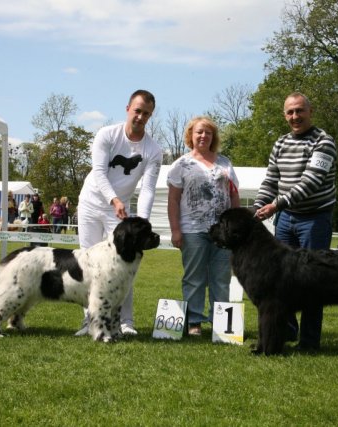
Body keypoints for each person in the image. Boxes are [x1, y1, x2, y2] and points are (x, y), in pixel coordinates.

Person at [253, 92, 337, 351]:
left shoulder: (324, 142)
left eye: (299, 111)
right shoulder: (280, 143)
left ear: (310, 112)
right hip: (285, 219)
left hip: (315, 219)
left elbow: (311, 182)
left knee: (313, 282)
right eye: (290, 112)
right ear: (284, 114)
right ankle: (285, 333)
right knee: (281, 282)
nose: (295, 116)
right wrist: (256, 209)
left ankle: (310, 342)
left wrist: (276, 204)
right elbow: (270, 181)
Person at [76, 89, 163, 336]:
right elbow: (99, 171)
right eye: (137, 111)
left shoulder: (153, 151)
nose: (140, 117)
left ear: (150, 116)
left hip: (119, 213)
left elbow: (147, 189)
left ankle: (126, 322)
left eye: (146, 114)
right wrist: (114, 199)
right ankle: (90, 320)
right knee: (89, 266)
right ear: (127, 109)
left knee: (123, 265)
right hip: (92, 204)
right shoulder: (107, 135)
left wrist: (142, 222)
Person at [167, 116, 240, 336]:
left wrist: (236, 228)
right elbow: (173, 200)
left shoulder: (225, 163)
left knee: (221, 278)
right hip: (192, 230)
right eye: (199, 132)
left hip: (223, 232)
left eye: (208, 132)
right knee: (194, 278)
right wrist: (175, 230)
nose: (203, 136)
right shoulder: (180, 165)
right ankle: (194, 323)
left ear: (213, 137)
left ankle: (221, 325)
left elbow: (234, 195)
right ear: (191, 135)